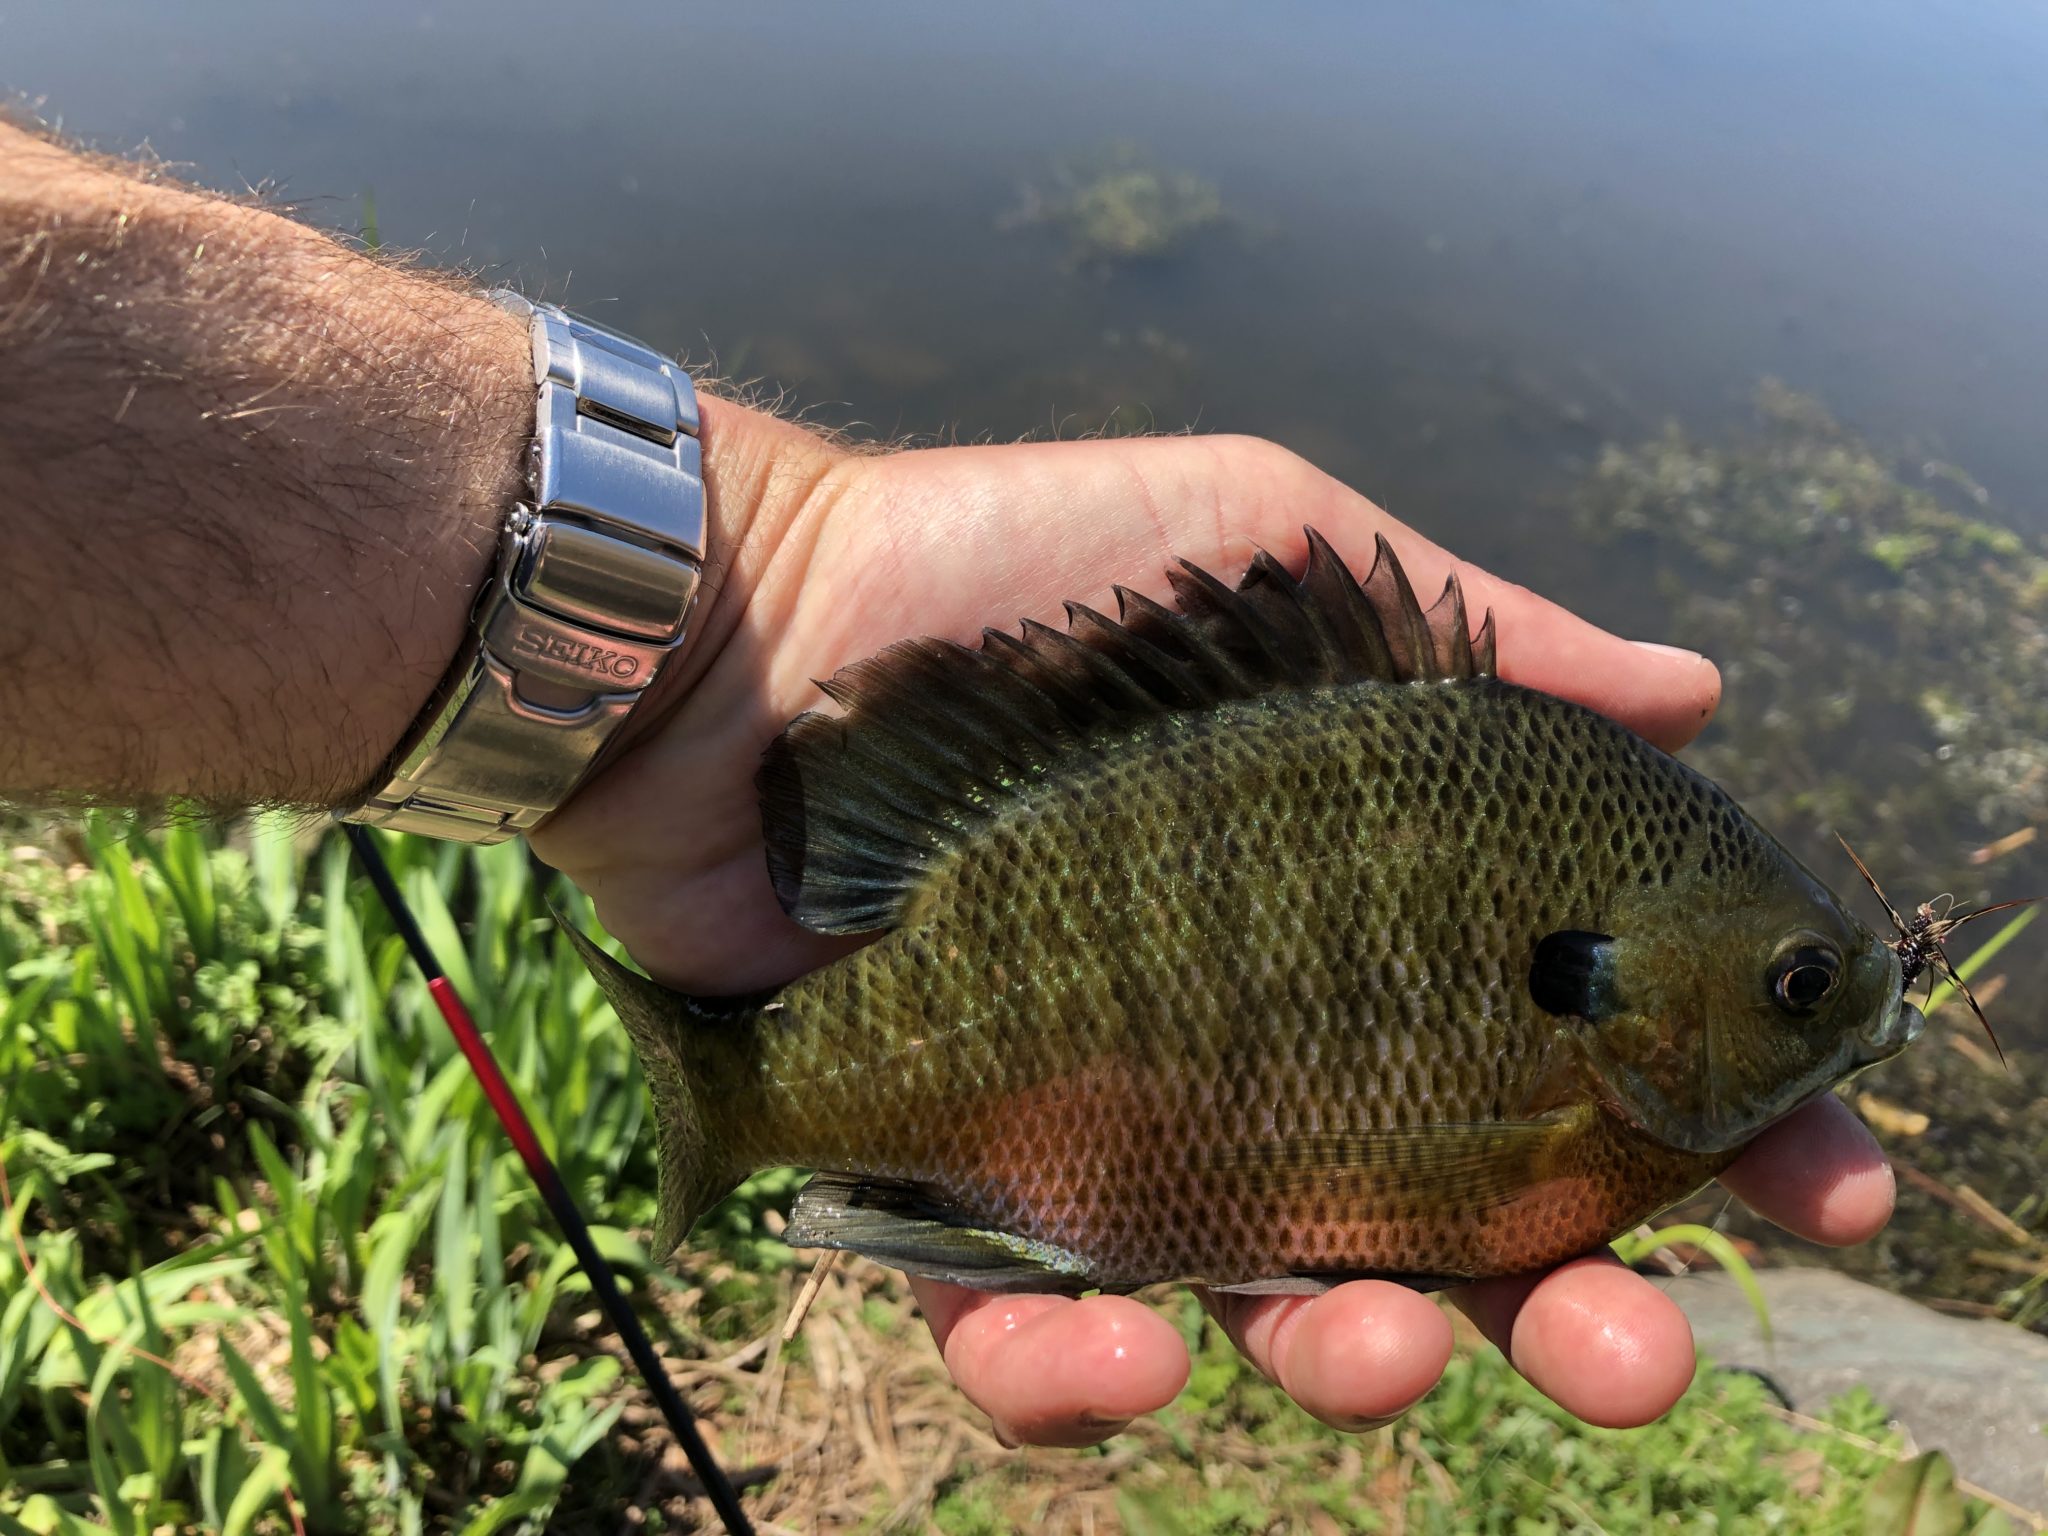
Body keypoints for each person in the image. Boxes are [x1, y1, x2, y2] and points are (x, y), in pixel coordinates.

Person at [0, 115, 1894, 1450]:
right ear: (1637, 994)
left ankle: (750, 1095)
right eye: (1793, 985)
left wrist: (722, 603)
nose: (1824, 997)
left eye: (1805, 983)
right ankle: (738, 1096)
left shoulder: (1599, 969)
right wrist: (734, 607)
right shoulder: (1604, 1079)